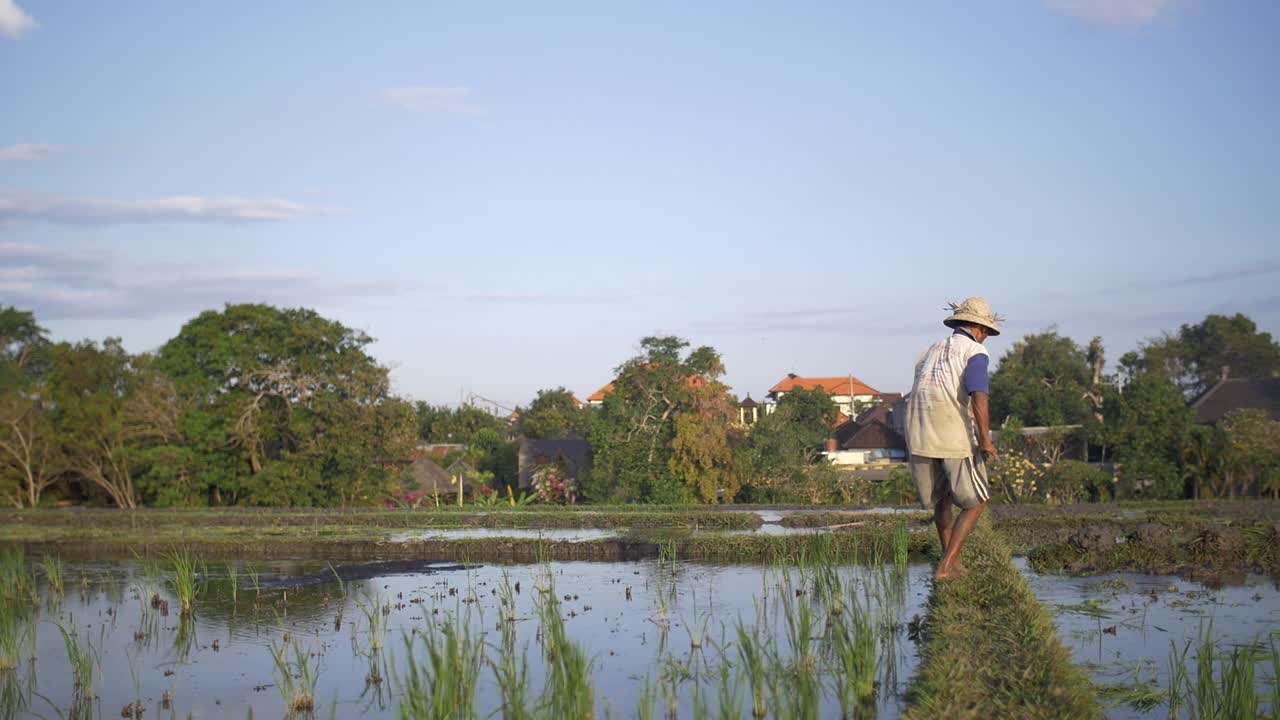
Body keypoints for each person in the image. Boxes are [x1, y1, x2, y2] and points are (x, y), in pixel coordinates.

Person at [903, 297, 1004, 580]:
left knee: (942, 499)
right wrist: (985, 439)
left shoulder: (928, 351)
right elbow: (979, 395)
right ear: (980, 329)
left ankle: (950, 559)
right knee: (977, 500)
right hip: (951, 429)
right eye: (987, 334)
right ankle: (947, 565)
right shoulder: (975, 352)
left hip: (917, 429)